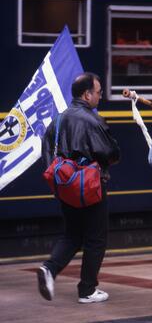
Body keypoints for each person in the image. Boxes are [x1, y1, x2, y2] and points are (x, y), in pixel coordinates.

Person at [38, 72, 120, 304]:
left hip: (66, 186)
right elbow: (112, 153)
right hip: (91, 186)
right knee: (96, 238)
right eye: (98, 92)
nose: (100, 96)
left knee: (72, 234)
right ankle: (87, 290)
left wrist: (65, 178)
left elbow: (47, 152)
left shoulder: (60, 118)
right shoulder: (93, 120)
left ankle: (49, 269)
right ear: (87, 94)